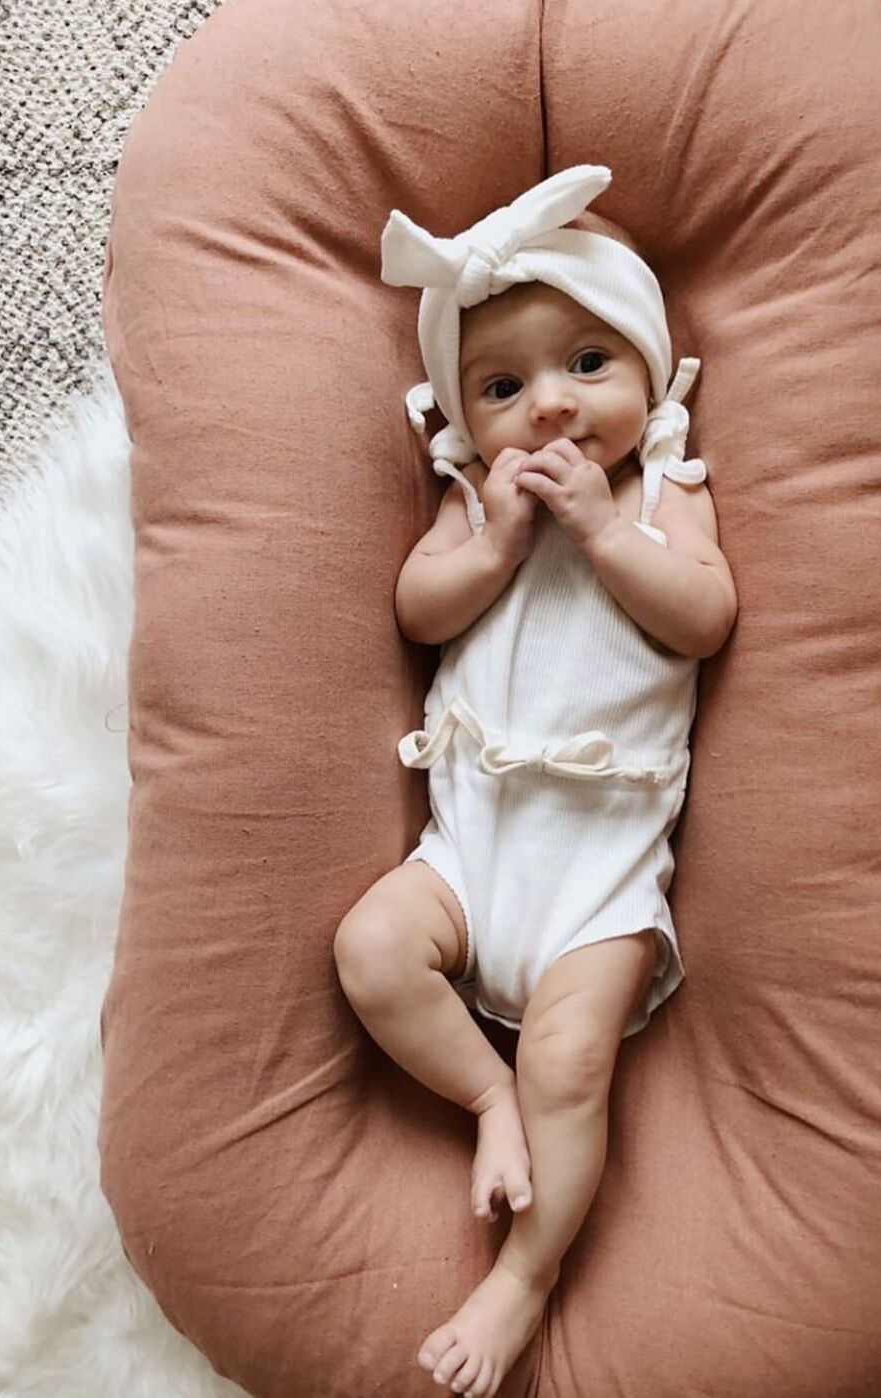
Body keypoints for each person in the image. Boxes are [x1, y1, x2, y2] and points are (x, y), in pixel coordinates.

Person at [333, 164, 737, 1398]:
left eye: (588, 364)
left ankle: (524, 1275)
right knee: (370, 948)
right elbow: (418, 608)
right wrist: (499, 541)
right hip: (465, 852)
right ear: (463, 415)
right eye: (503, 388)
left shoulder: (662, 492)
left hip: (598, 878)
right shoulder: (473, 499)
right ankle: (484, 1094)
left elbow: (705, 617)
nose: (551, 406)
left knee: (574, 1063)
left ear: (648, 371)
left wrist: (605, 535)